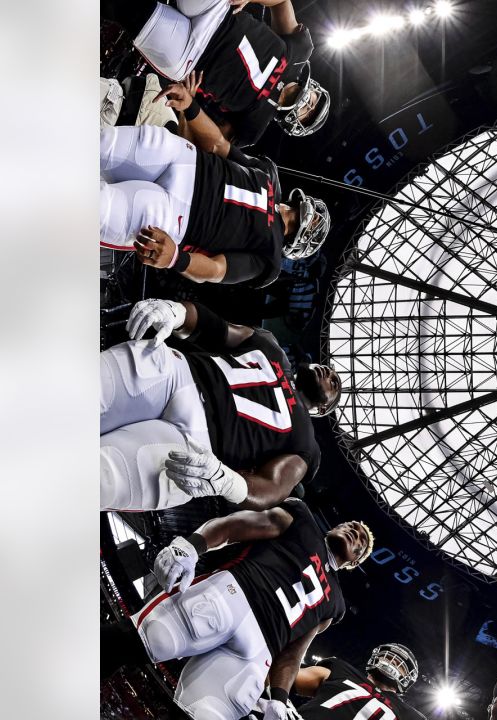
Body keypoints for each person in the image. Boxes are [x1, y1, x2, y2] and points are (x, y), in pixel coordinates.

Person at [101, 499, 373, 720]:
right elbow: (236, 526)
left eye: (360, 538)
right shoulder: (302, 520)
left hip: (259, 651)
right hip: (232, 596)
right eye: (352, 525)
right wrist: (193, 545)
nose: (354, 530)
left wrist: (279, 697)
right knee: (134, 641)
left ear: (355, 560)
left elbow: (293, 652)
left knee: (205, 714)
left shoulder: (335, 605)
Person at [101, 299, 341, 511]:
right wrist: (177, 313)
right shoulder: (272, 349)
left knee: (92, 479)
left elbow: (273, 487)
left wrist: (226, 481)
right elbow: (215, 328)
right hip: (177, 374)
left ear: (321, 411)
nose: (329, 374)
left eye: (334, 385)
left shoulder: (306, 444)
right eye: (331, 371)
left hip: (197, 447)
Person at [101, 124, 330, 287]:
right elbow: (220, 145)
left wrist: (176, 259)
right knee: (97, 144)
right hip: (184, 158)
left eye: (316, 225)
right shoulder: (270, 174)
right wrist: (191, 108)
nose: (315, 217)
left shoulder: (270, 259)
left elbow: (217, 269)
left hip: (175, 214)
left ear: (302, 243)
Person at [103, 0, 329, 149]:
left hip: (188, 57)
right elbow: (280, 3)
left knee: (125, 6)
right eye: (314, 103)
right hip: (219, 13)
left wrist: (189, 107)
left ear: (293, 124)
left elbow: (206, 142)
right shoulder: (300, 53)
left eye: (308, 116)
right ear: (315, 90)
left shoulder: (254, 128)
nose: (308, 107)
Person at [280, 644, 427, 719]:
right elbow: (281, 677)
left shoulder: (411, 716)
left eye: (400, 665)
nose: (392, 662)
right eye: (388, 657)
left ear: (407, 679)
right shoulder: (342, 670)